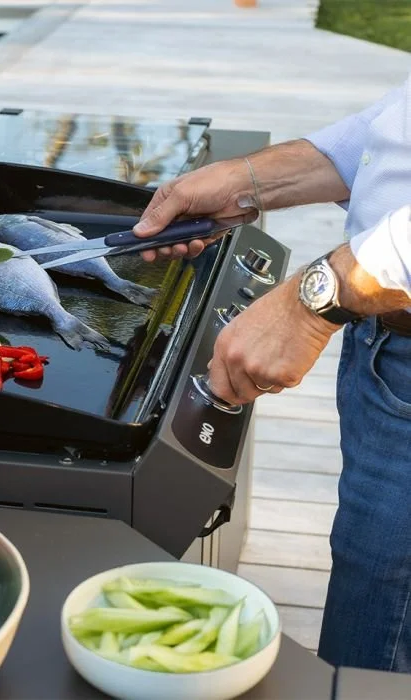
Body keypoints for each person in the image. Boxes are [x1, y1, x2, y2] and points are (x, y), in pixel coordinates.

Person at [133, 72, 411, 673]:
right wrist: (244, 182)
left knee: (381, 635)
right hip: (386, 332)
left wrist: (312, 300)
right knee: (370, 581)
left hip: (386, 311)